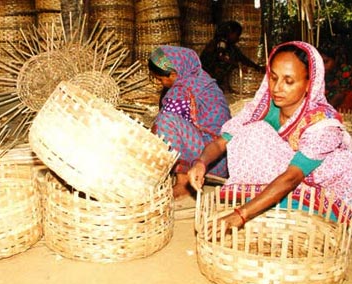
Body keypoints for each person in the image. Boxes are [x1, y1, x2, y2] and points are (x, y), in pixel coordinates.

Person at [188, 41, 352, 236]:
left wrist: (240, 215)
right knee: (253, 132)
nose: (277, 88)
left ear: (310, 84)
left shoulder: (323, 123)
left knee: (259, 135)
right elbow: (221, 142)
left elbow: (292, 177)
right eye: (273, 78)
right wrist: (201, 163)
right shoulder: (262, 109)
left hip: (322, 188)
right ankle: (269, 204)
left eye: (288, 81)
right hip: (284, 180)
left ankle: (289, 209)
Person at [148, 45, 231, 199]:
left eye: (160, 79)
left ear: (173, 74)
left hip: (209, 160)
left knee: (166, 121)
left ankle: (184, 183)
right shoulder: (199, 79)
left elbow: (164, 125)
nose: (160, 83)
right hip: (221, 158)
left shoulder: (183, 89)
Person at [199, 20, 265, 93]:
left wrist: (257, 67)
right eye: (236, 34)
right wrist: (237, 65)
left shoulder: (231, 47)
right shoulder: (221, 43)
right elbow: (221, 57)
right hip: (208, 77)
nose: (237, 38)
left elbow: (243, 58)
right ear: (230, 33)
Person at [318, 43, 352, 110]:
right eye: (320, 62)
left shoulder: (346, 71)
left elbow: (339, 96)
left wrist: (322, 111)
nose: (323, 66)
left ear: (336, 59)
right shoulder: (323, 72)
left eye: (326, 62)